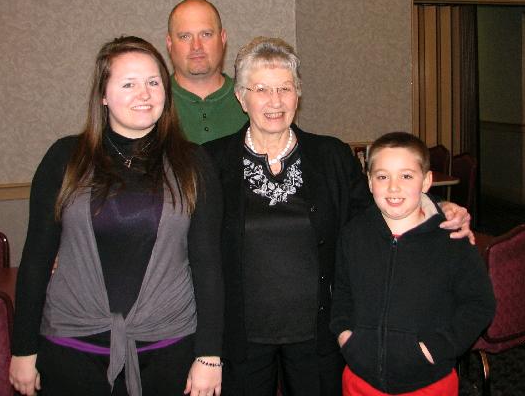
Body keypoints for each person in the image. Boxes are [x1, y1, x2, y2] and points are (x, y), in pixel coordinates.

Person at [203, 37, 474, 396]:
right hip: (241, 336)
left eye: (285, 88)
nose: (275, 101)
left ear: (298, 94)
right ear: (241, 97)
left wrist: (436, 206)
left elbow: (378, 209)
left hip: (319, 333)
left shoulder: (330, 155)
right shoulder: (211, 161)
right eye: (262, 89)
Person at [9, 36, 224, 396]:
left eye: (153, 82)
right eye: (128, 84)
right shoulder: (65, 157)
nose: (145, 94)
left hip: (168, 350)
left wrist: (209, 355)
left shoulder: (193, 163)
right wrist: (23, 347)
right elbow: (36, 258)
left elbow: (209, 266)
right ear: (103, 95)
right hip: (71, 349)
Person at [331, 132, 495, 396]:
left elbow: (479, 303)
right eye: (382, 177)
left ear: (426, 181)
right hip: (360, 378)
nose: (393, 187)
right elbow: (341, 293)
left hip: (429, 382)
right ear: (370, 182)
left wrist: (434, 349)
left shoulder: (452, 240)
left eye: (406, 176)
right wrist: (346, 337)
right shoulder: (353, 235)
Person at [166, 0, 248, 144]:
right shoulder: (153, 103)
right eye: (185, 36)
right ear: (170, 43)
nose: (196, 46)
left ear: (222, 38)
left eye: (206, 34)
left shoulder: (252, 100)